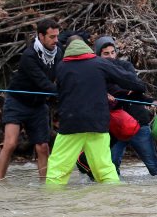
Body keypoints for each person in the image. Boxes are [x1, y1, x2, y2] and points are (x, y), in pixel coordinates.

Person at [46, 38, 146, 186]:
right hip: (97, 123)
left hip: (71, 124)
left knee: (57, 168)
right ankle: (113, 199)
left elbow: (58, 92)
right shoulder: (100, 63)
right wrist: (139, 87)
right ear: (88, 51)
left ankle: (51, 200)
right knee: (105, 168)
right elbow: (126, 78)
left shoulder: (61, 67)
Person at [0, 18, 62, 181]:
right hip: (17, 101)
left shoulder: (58, 52)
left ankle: (44, 186)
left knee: (43, 147)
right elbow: (44, 83)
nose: (56, 41)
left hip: (38, 105)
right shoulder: (29, 56)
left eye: (57, 36)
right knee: (10, 144)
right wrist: (65, 93)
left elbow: (61, 76)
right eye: (52, 37)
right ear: (41, 36)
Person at [94, 36, 157, 176]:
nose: (110, 56)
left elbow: (137, 88)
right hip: (114, 126)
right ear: (98, 55)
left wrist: (151, 101)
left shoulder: (125, 66)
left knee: (154, 167)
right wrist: (121, 91)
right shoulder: (95, 71)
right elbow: (124, 88)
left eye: (112, 52)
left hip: (137, 122)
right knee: (111, 167)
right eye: (106, 54)